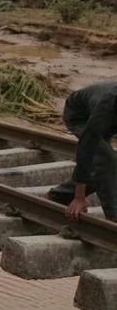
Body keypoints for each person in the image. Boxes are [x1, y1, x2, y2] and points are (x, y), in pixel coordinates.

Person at [47, 81, 117, 221]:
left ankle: (60, 195)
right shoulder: (106, 107)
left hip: (107, 117)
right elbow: (86, 149)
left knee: (106, 164)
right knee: (107, 159)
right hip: (80, 115)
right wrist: (79, 197)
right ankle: (113, 216)